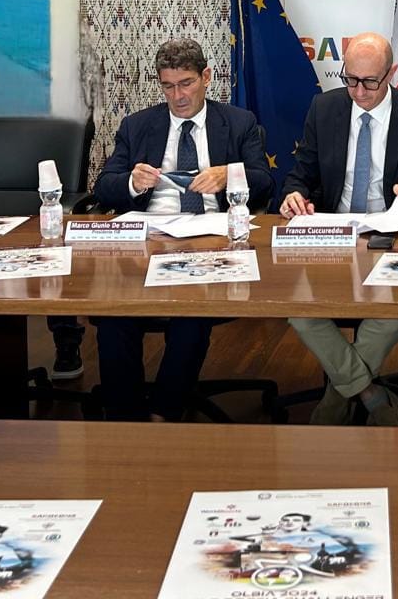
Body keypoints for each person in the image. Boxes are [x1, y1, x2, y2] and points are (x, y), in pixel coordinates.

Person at [66, 38, 272, 420]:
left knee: (192, 310)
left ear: (206, 77)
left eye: (186, 84)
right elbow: (104, 186)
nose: (178, 96)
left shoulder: (238, 122)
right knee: (113, 314)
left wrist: (229, 174)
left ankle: (165, 411)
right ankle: (124, 418)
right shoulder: (138, 125)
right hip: (148, 243)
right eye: (168, 86)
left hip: (211, 241)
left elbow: (265, 182)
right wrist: (132, 182)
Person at [279, 31, 398, 426]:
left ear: (391, 73)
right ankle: (369, 394)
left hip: (391, 241)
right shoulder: (324, 109)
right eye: (350, 79)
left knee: (393, 313)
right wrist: (293, 195)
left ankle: (334, 404)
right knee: (298, 309)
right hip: (333, 238)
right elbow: (300, 174)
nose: (358, 92)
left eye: (370, 82)